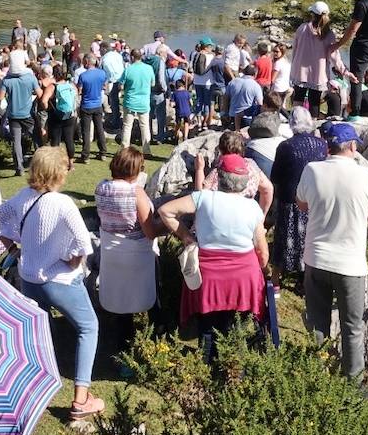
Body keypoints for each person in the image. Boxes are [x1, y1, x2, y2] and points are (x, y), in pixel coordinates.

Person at [0, 147, 103, 419]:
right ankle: (81, 399)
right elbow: (83, 243)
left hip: (28, 277)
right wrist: (72, 261)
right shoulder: (63, 203)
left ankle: (35, 386)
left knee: (41, 331)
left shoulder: (22, 197)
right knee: (88, 327)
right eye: (66, 166)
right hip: (58, 280)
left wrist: (13, 251)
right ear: (57, 172)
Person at [297, 121, 368, 379]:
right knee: (352, 325)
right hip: (350, 265)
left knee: (317, 321)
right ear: (351, 145)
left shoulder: (312, 170)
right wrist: (362, 220)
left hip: (315, 258)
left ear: (329, 146)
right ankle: (353, 380)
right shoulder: (366, 175)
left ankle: (319, 372)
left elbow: (302, 205)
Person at [159, 154, 269, 360]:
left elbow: (166, 211)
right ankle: (233, 371)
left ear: (220, 176)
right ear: (244, 180)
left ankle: (207, 368)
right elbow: (262, 252)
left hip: (208, 276)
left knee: (207, 326)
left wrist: (187, 238)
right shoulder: (253, 207)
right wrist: (264, 270)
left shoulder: (204, 197)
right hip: (243, 278)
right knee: (236, 326)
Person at [94, 147, 158, 362]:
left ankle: (122, 350)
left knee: (121, 303)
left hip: (112, 253)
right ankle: (155, 342)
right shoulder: (136, 193)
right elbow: (149, 230)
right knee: (150, 296)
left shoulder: (101, 188)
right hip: (136, 254)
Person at [270, 114, 334, 277]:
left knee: (283, 239)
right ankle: (306, 276)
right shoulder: (321, 144)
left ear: (292, 124)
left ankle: (276, 279)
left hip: (290, 197)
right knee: (312, 237)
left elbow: (275, 176)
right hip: (314, 198)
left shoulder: (285, 146)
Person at [196, 130, 274, 214]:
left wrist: (199, 169)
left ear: (220, 149)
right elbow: (268, 189)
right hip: (245, 215)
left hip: (221, 216)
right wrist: (262, 217)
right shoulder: (251, 165)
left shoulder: (219, 170)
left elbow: (200, 196)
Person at [290, 2, 343, 116]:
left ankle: (295, 123)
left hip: (300, 73)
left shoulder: (302, 29)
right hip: (319, 76)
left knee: (298, 99)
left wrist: (293, 67)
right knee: (314, 103)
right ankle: (313, 128)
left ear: (312, 14)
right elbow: (334, 57)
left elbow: (295, 49)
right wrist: (344, 71)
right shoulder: (328, 34)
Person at [3, 65, 37, 175]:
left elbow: (0, 96)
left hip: (13, 115)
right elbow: (39, 93)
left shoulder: (7, 80)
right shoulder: (30, 78)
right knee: (36, 138)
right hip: (27, 114)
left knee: (16, 142)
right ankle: (41, 162)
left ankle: (19, 168)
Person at [75, 54, 109, 162]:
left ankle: (85, 156)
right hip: (97, 105)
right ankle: (103, 152)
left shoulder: (83, 76)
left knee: (86, 131)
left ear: (87, 62)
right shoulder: (102, 73)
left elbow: (79, 91)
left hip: (86, 105)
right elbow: (105, 86)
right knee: (100, 129)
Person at [43, 64, 80, 162]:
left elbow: (44, 101)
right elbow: (76, 97)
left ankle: (55, 162)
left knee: (55, 140)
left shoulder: (52, 87)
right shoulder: (71, 85)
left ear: (54, 75)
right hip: (70, 115)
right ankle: (71, 163)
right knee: (69, 140)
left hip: (56, 116)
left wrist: (48, 109)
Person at [119, 50, 155, 151]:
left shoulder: (128, 69)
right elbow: (152, 84)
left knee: (127, 126)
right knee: (145, 126)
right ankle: (146, 150)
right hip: (143, 102)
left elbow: (121, 85)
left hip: (130, 102)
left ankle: (124, 148)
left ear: (132, 57)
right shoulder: (149, 68)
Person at [224, 64, 264, 129]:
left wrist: (224, 112)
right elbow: (260, 104)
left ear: (244, 72)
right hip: (246, 117)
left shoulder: (233, 82)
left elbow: (225, 98)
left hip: (232, 116)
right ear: (255, 74)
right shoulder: (255, 85)